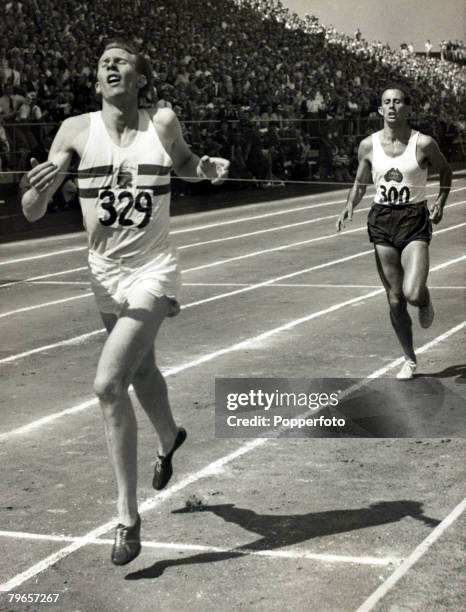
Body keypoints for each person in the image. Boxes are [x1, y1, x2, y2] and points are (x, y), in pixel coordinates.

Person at [21, 40, 229, 566]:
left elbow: (183, 164)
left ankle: (127, 518)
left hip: (153, 270)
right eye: (103, 64)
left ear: (140, 78)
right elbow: (29, 211)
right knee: (141, 373)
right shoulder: (74, 130)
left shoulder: (161, 122)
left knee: (109, 383)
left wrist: (205, 168)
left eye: (122, 62)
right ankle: (169, 437)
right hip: (103, 273)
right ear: (97, 84)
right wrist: (39, 190)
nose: (110, 66)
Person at [336, 86, 452, 380]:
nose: (391, 106)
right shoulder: (368, 145)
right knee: (395, 299)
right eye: (386, 102)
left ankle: (425, 300)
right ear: (379, 110)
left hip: (413, 220)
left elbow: (446, 171)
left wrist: (439, 201)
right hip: (382, 220)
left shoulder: (423, 143)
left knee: (412, 293)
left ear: (407, 109)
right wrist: (350, 204)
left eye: (397, 102)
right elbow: (361, 182)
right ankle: (409, 359)